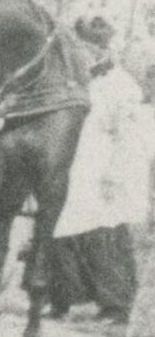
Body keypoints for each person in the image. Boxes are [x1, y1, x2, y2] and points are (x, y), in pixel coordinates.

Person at [44, 16, 148, 321]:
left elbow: (128, 135)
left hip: (103, 167)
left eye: (93, 49)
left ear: (105, 50)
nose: (87, 55)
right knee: (60, 230)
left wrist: (115, 173)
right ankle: (62, 299)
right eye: (82, 48)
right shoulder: (76, 79)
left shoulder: (123, 87)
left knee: (103, 233)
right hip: (72, 162)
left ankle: (116, 306)